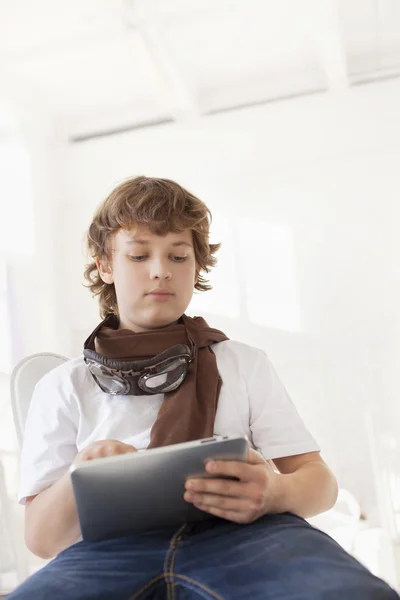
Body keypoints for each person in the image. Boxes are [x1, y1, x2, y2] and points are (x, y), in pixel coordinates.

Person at [9, 176, 399, 599]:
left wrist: (274, 492)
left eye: (178, 256)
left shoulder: (243, 363)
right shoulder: (63, 386)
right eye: (139, 255)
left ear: (196, 268)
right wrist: (78, 477)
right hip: (106, 551)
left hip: (248, 537)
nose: (161, 270)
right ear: (104, 265)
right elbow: (41, 539)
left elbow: (319, 482)